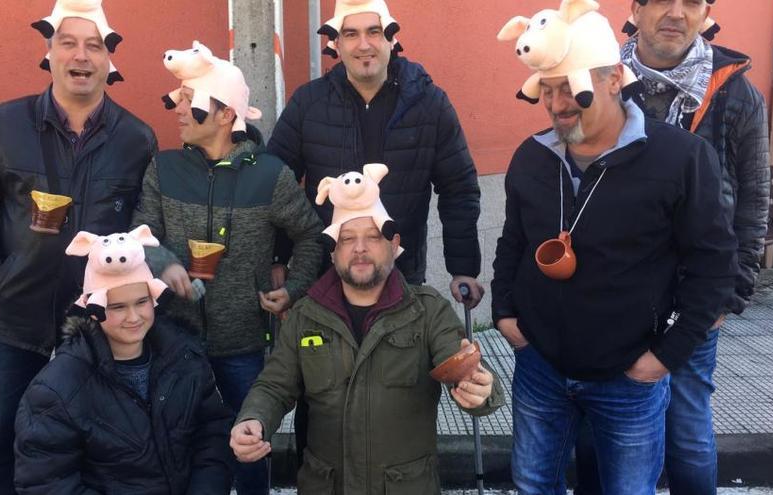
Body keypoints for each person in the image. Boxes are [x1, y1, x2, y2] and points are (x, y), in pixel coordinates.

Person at [491, 1, 737, 493]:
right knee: (533, 483)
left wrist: (667, 356)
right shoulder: (532, 156)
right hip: (540, 364)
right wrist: (505, 313)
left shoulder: (680, 158)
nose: (559, 105)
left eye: (572, 90)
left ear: (612, 80)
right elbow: (513, 240)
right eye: (550, 91)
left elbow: (712, 264)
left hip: (630, 375)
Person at [0, 3, 156, 492]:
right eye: (68, 43)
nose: (81, 56)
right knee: (3, 435)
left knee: (101, 441)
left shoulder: (136, 138)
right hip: (16, 320)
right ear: (50, 53)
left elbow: (146, 228)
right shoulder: (5, 123)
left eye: (94, 46)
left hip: (98, 326)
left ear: (109, 61)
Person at [573, 2, 770, 493]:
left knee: (686, 433)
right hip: (609, 295)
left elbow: (752, 198)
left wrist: (732, 291)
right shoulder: (597, 80)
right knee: (599, 430)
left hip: (692, 296)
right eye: (661, 0)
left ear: (706, 13)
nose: (676, 13)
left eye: (692, 2)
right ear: (636, 10)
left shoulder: (736, 94)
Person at [130, 41, 323, 495]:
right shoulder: (164, 167)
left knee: (249, 443)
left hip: (243, 343)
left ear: (224, 114)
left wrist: (294, 288)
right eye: (176, 98)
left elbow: (312, 235)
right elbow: (142, 233)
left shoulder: (269, 173)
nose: (177, 109)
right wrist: (164, 263)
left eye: (188, 100)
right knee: (180, 442)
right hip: (172, 337)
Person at [229, 180, 504, 494]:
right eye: (347, 238)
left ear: (394, 244)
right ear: (333, 252)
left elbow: (460, 364)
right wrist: (254, 418)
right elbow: (275, 385)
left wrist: (480, 388)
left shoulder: (428, 311)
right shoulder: (305, 315)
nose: (359, 248)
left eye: (373, 236)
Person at [268, 0, 484, 307]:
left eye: (374, 32)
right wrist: (279, 255)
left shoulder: (429, 103)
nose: (364, 45)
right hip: (326, 274)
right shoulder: (307, 104)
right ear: (336, 43)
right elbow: (279, 186)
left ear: (391, 39)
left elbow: (459, 188)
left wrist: (463, 269)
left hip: (401, 272)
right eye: (352, 34)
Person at [13, 226, 234, 494]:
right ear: (93, 309)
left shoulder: (186, 359)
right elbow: (47, 482)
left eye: (141, 302)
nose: (133, 317)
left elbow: (211, 435)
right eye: (117, 307)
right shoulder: (57, 389)